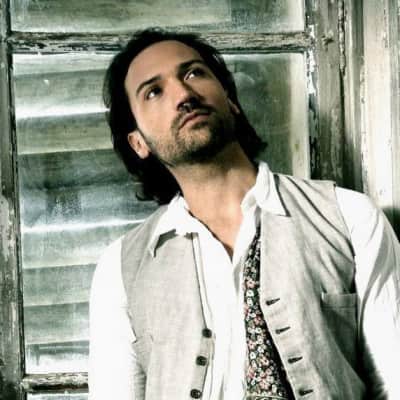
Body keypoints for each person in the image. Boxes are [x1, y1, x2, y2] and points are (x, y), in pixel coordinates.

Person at [89, 28, 400, 400]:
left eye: (194, 73)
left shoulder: (350, 217)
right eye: (154, 91)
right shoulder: (121, 270)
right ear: (138, 142)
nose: (184, 95)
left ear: (230, 100)